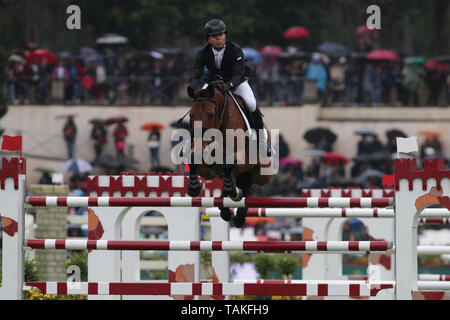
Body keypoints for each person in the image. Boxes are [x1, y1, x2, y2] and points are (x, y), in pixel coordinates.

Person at [189, 19, 271, 156]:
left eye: (221, 34)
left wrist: (230, 85)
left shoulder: (235, 50)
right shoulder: (202, 53)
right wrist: (197, 89)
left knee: (251, 103)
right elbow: (194, 74)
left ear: (225, 35)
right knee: (199, 106)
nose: (219, 38)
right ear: (208, 39)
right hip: (213, 81)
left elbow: (238, 74)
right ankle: (194, 139)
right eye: (215, 36)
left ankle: (262, 141)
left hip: (235, 81)